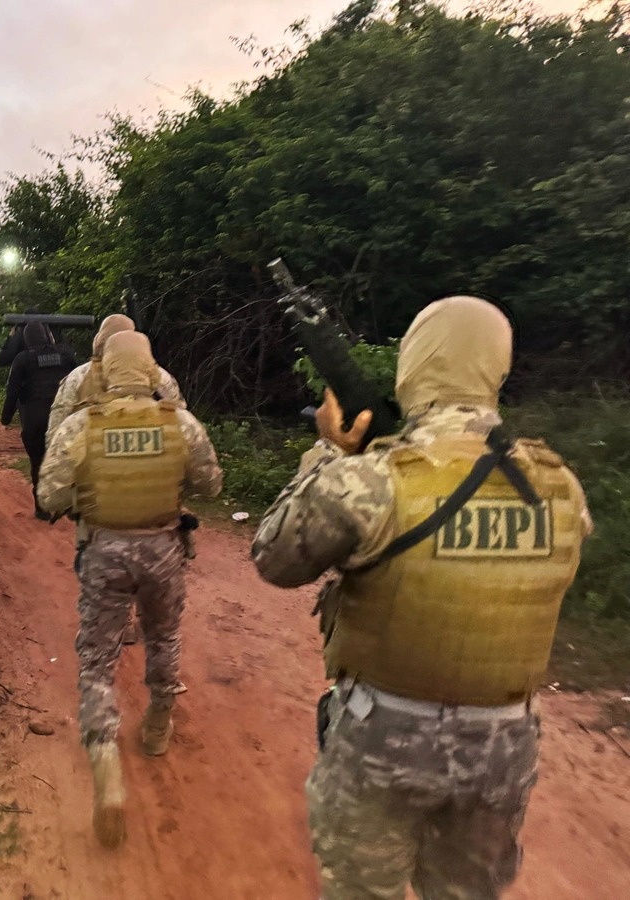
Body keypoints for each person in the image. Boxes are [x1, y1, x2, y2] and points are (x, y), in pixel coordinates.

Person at [251, 296, 591, 900]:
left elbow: (274, 559)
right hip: (504, 745)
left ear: (414, 365)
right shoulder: (559, 484)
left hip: (383, 734)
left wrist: (330, 453)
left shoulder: (375, 478)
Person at [37, 331, 223, 849]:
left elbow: (48, 492)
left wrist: (87, 492)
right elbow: (211, 485)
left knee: (98, 659)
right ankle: (159, 721)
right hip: (164, 547)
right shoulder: (180, 423)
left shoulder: (81, 425)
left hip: (103, 551)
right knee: (163, 635)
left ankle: (106, 768)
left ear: (104, 369)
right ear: (147, 370)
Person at [46, 314, 185, 449]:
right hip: (151, 457)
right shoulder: (158, 375)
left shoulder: (78, 377)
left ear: (99, 340)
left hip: (94, 462)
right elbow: (182, 421)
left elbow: (56, 430)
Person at [1, 321, 77, 519]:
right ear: (47, 336)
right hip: (62, 416)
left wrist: (6, 418)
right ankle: (68, 502)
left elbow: (12, 391)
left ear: (27, 340)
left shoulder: (23, 359)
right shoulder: (65, 355)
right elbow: (79, 380)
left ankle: (42, 507)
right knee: (66, 458)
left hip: (34, 417)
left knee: (37, 461)